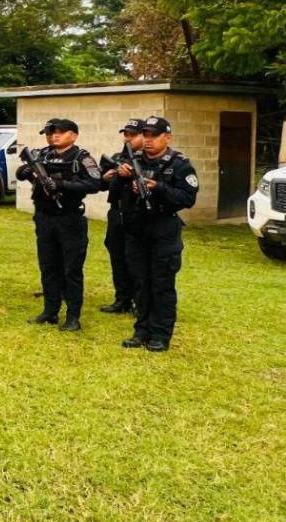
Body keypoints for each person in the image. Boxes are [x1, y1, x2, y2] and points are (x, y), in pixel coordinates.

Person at [121, 116, 199, 352]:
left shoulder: (179, 164)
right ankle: (141, 330)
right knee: (141, 283)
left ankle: (160, 335)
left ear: (167, 137)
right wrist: (123, 180)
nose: (148, 140)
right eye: (145, 135)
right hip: (138, 229)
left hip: (163, 229)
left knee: (162, 285)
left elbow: (187, 198)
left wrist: (159, 187)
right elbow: (116, 196)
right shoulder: (133, 161)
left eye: (154, 135)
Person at [17, 118, 102, 332]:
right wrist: (27, 171)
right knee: (48, 266)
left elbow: (95, 183)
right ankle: (50, 311)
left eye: (59, 132)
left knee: (71, 269)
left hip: (70, 219)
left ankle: (73, 317)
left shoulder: (81, 158)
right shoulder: (41, 155)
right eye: (49, 132)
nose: (53, 136)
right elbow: (21, 172)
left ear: (73, 135)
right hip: (45, 218)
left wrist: (61, 185)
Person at [99, 118, 144, 314]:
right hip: (117, 212)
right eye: (125, 134)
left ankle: (139, 300)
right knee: (117, 255)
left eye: (132, 135)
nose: (128, 138)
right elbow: (100, 184)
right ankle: (122, 298)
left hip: (137, 213)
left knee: (136, 258)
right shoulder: (118, 157)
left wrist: (133, 175)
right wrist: (106, 177)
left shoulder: (149, 159)